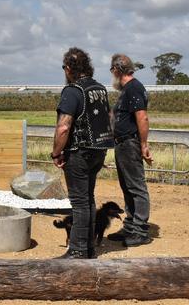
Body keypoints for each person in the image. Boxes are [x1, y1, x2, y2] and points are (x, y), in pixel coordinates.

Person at [51, 47, 114, 259]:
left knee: (79, 202)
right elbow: (110, 118)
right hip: (99, 150)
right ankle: (88, 247)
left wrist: (56, 153)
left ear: (69, 68)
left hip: (79, 152)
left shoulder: (72, 91)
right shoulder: (100, 89)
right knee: (89, 199)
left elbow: (63, 127)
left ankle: (77, 249)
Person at [107, 53, 153, 247]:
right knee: (127, 186)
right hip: (122, 143)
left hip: (129, 143)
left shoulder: (133, 88)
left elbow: (142, 118)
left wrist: (143, 145)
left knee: (136, 187)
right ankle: (130, 225)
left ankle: (140, 229)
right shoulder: (128, 90)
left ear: (117, 70)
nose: (112, 74)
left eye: (112, 70)